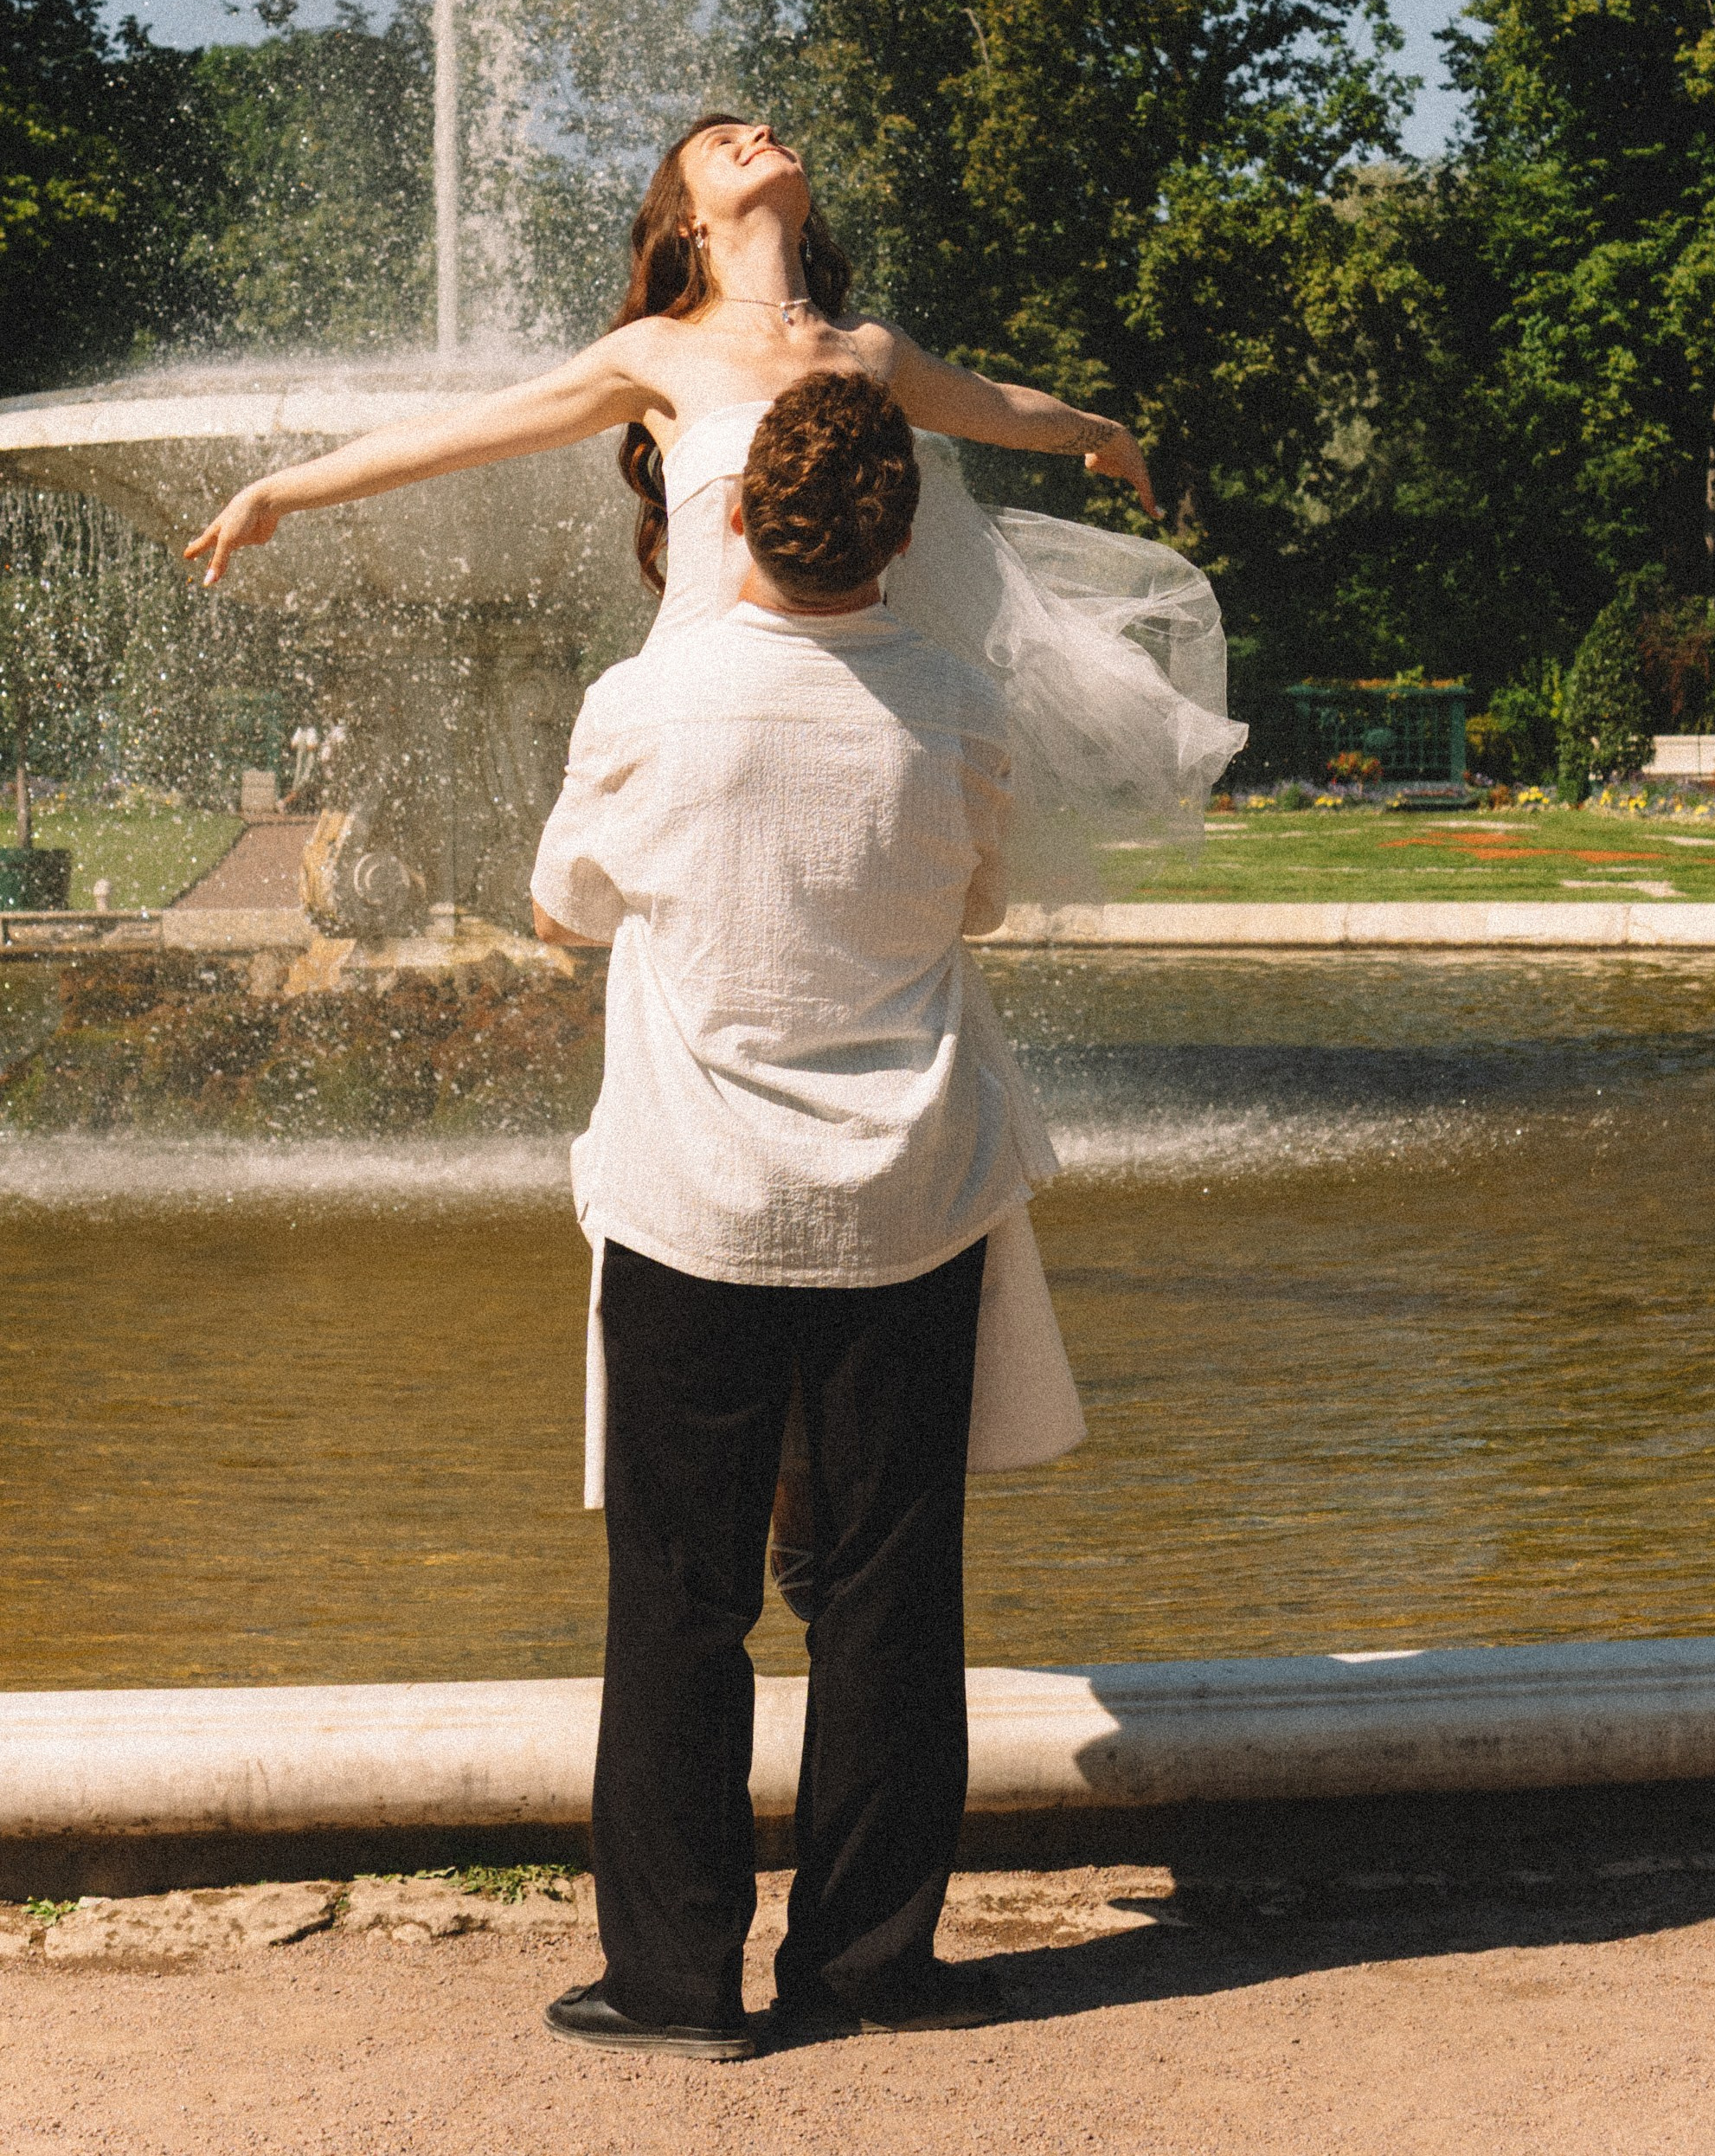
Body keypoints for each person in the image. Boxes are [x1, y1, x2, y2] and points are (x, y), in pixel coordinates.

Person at [183, 115, 1244, 1480]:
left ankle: (837, 1420)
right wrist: (289, 486)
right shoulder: (659, 355)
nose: (751, 133)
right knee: (708, 1090)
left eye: (761, 127)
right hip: (700, 750)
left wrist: (1097, 431)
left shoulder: (866, 356)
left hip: (851, 744)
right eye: (716, 141)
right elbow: (465, 435)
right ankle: (768, 1404)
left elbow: (993, 404)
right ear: (683, 219)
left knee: (871, 1036)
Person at [530, 370, 1047, 2052]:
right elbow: (978, 898)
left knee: (677, 1592)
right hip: (907, 1195)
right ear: (902, 533)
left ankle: (674, 1983)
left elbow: (561, 909)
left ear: (731, 512)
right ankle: (867, 1960)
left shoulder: (646, 702)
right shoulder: (960, 700)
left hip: (695, 1201)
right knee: (891, 1588)